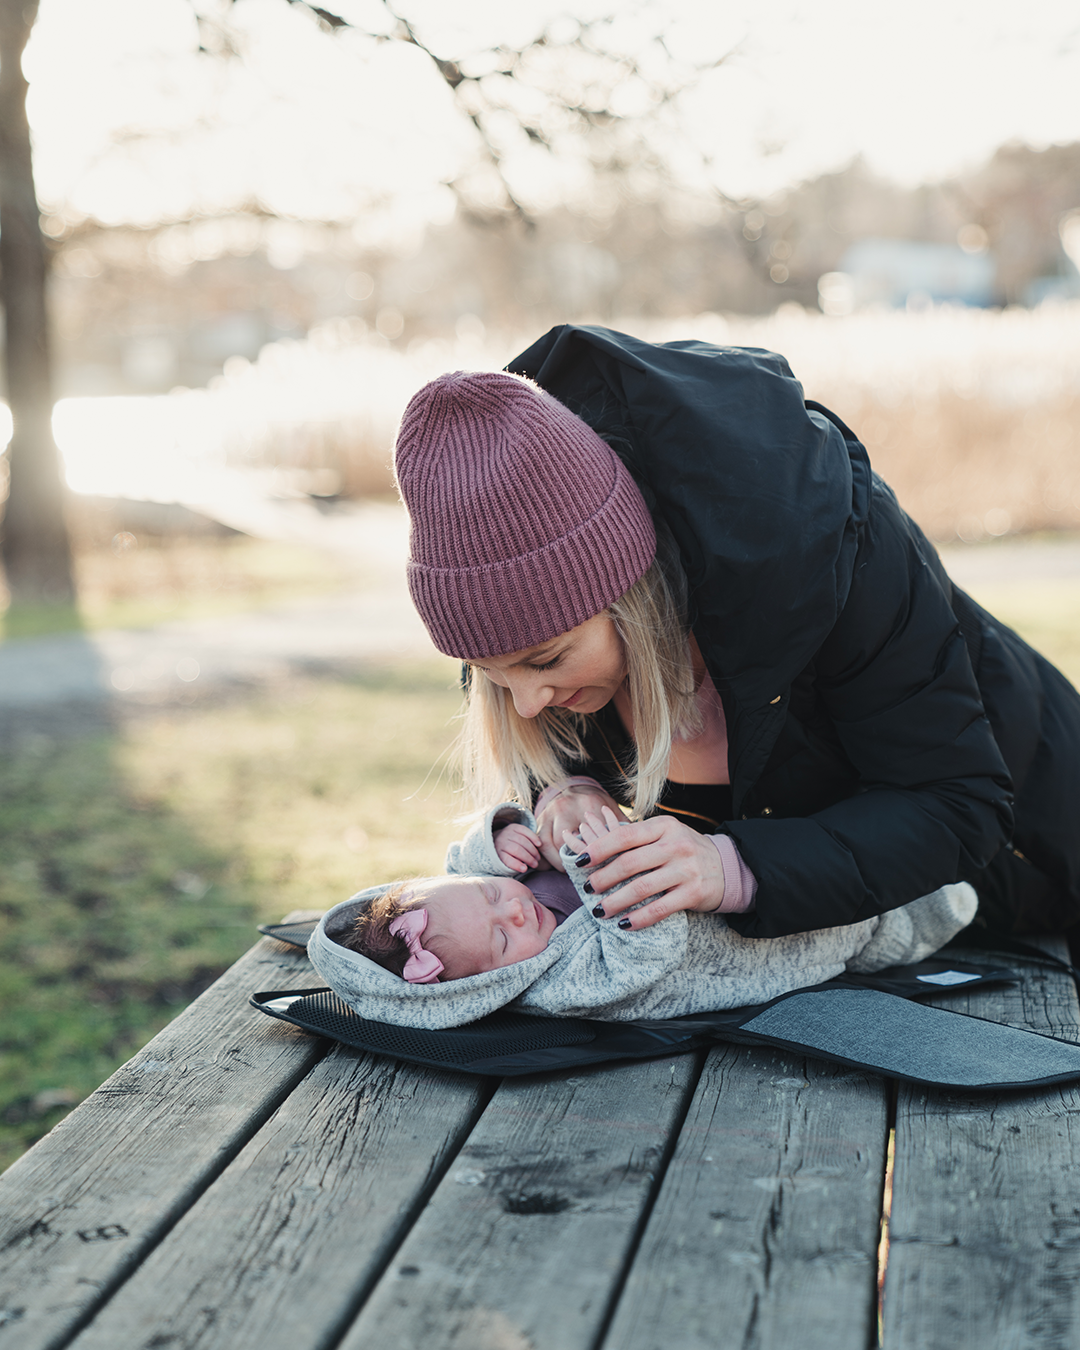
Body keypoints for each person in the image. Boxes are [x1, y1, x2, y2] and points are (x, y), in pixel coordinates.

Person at [392, 325, 1080, 943]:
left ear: (626, 591)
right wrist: (565, 793)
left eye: (546, 659)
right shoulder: (525, 641)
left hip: (1042, 860)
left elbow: (956, 804)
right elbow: (534, 706)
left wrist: (730, 866)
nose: (527, 704)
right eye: (489, 672)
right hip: (886, 958)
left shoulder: (830, 545)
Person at [311, 801, 976, 1027]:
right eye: (499, 936)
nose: (513, 909)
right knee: (881, 931)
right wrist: (586, 865)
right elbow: (646, 945)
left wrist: (506, 833)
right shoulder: (561, 989)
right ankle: (942, 911)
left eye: (491, 896)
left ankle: (937, 871)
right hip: (781, 950)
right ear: (483, 983)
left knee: (859, 866)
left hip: (762, 880)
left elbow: (466, 859)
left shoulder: (479, 895)